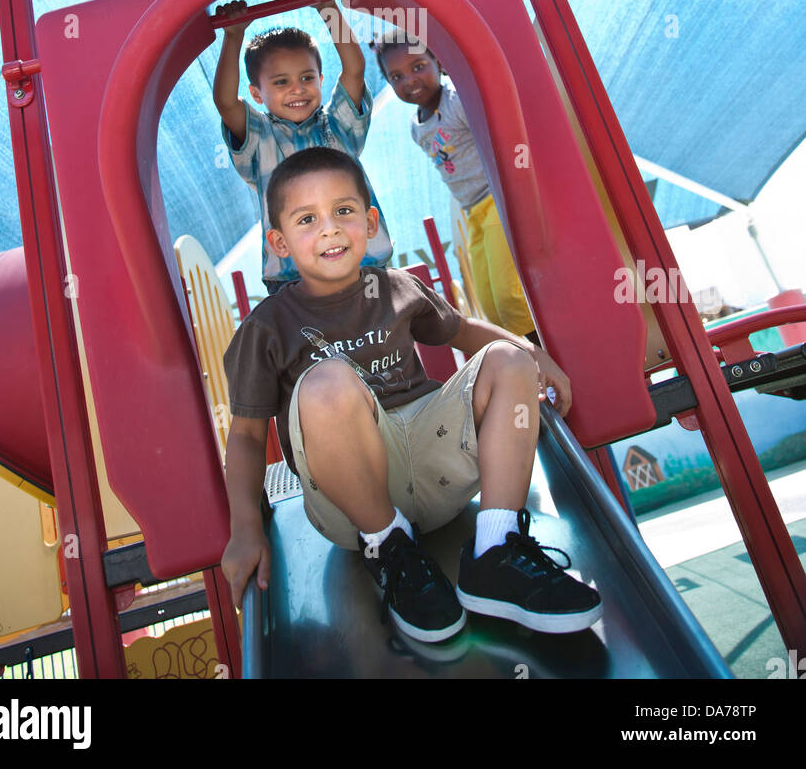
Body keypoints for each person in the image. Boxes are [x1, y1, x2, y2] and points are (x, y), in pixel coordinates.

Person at [220, 145, 602, 644]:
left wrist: (535, 356)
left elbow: (465, 331)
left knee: (510, 359)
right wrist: (246, 526)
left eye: (343, 211)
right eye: (307, 219)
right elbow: (247, 436)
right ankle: (389, 545)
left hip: (437, 463)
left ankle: (497, 549)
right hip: (353, 506)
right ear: (281, 242)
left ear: (370, 221)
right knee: (329, 381)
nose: (330, 229)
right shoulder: (266, 327)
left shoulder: (398, 287)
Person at [213, 0, 392, 294]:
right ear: (256, 93)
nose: (297, 89)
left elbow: (354, 70)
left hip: (362, 267)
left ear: (321, 79)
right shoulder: (259, 139)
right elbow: (226, 102)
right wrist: (233, 36)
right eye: (281, 82)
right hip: (292, 278)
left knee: (380, 339)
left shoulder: (338, 126)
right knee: (311, 342)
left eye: (307, 78)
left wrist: (328, 10)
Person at [375, 30, 536, 339]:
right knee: (489, 302)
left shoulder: (456, 99)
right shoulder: (416, 126)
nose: (409, 80)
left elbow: (500, 132)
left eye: (418, 66)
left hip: (496, 201)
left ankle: (543, 355)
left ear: (437, 60)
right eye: (396, 76)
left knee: (508, 295)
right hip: (471, 211)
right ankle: (528, 363)